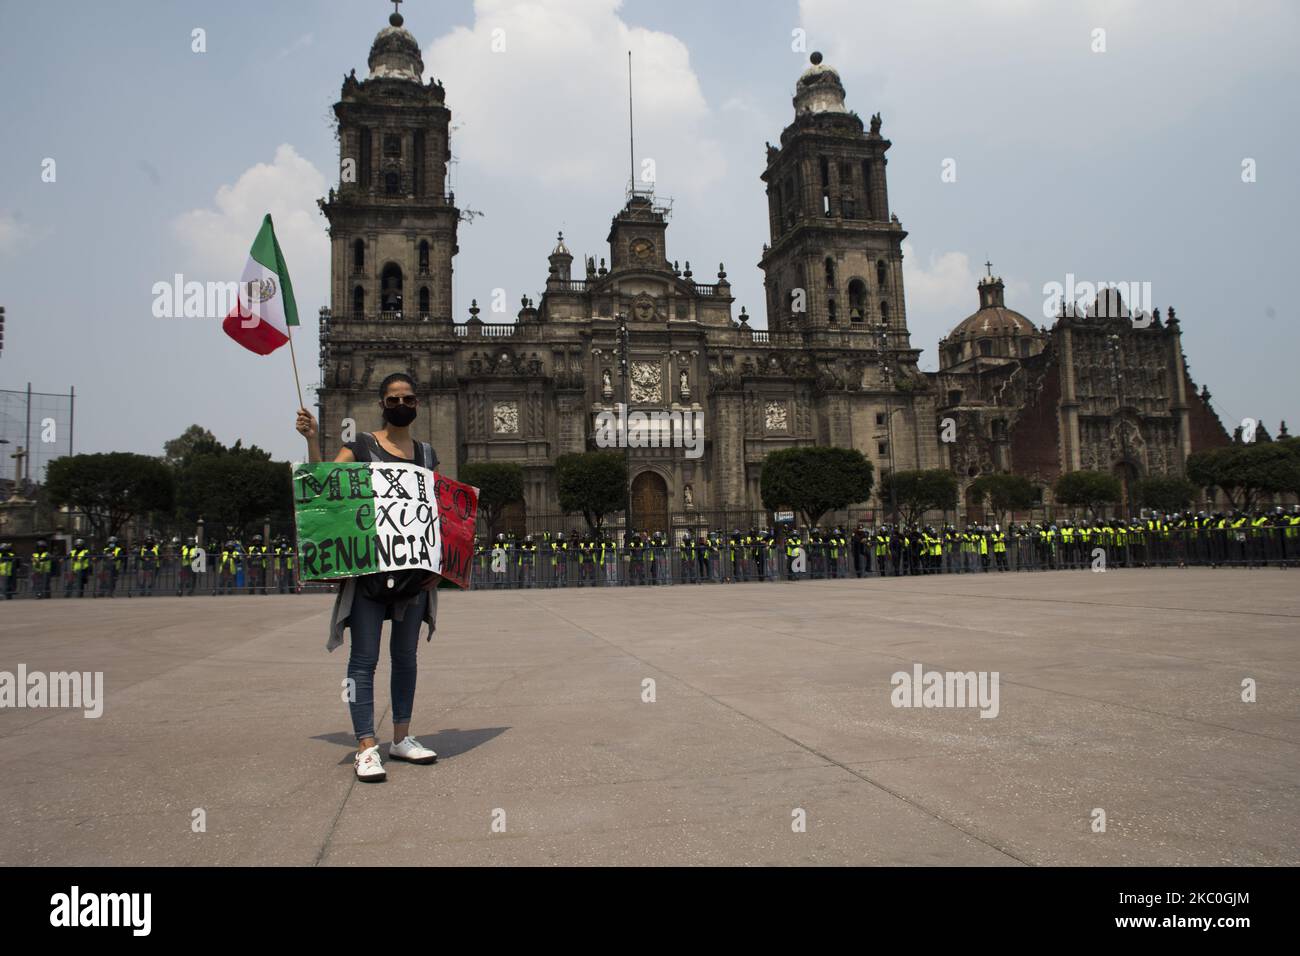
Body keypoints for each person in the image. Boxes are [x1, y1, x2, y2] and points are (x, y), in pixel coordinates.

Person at [296, 372, 440, 783]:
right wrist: (311, 441)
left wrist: (438, 564)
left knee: (406, 658)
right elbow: (325, 489)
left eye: (409, 398)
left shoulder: (427, 455)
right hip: (369, 571)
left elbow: (434, 513)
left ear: (417, 403)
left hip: (411, 573)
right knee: (364, 659)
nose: (402, 405)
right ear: (382, 403)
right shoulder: (361, 445)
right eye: (394, 399)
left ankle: (402, 737)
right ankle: (365, 745)